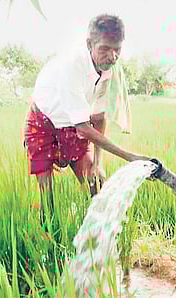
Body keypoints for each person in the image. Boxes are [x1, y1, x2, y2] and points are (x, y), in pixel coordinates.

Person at [24, 14, 148, 226]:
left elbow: (99, 118)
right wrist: (129, 156)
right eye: (105, 49)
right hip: (43, 121)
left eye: (118, 49)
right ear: (89, 43)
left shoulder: (108, 69)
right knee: (46, 191)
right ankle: (49, 232)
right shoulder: (71, 66)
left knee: (96, 183)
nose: (113, 56)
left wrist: (98, 163)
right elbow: (84, 127)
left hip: (73, 122)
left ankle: (103, 236)